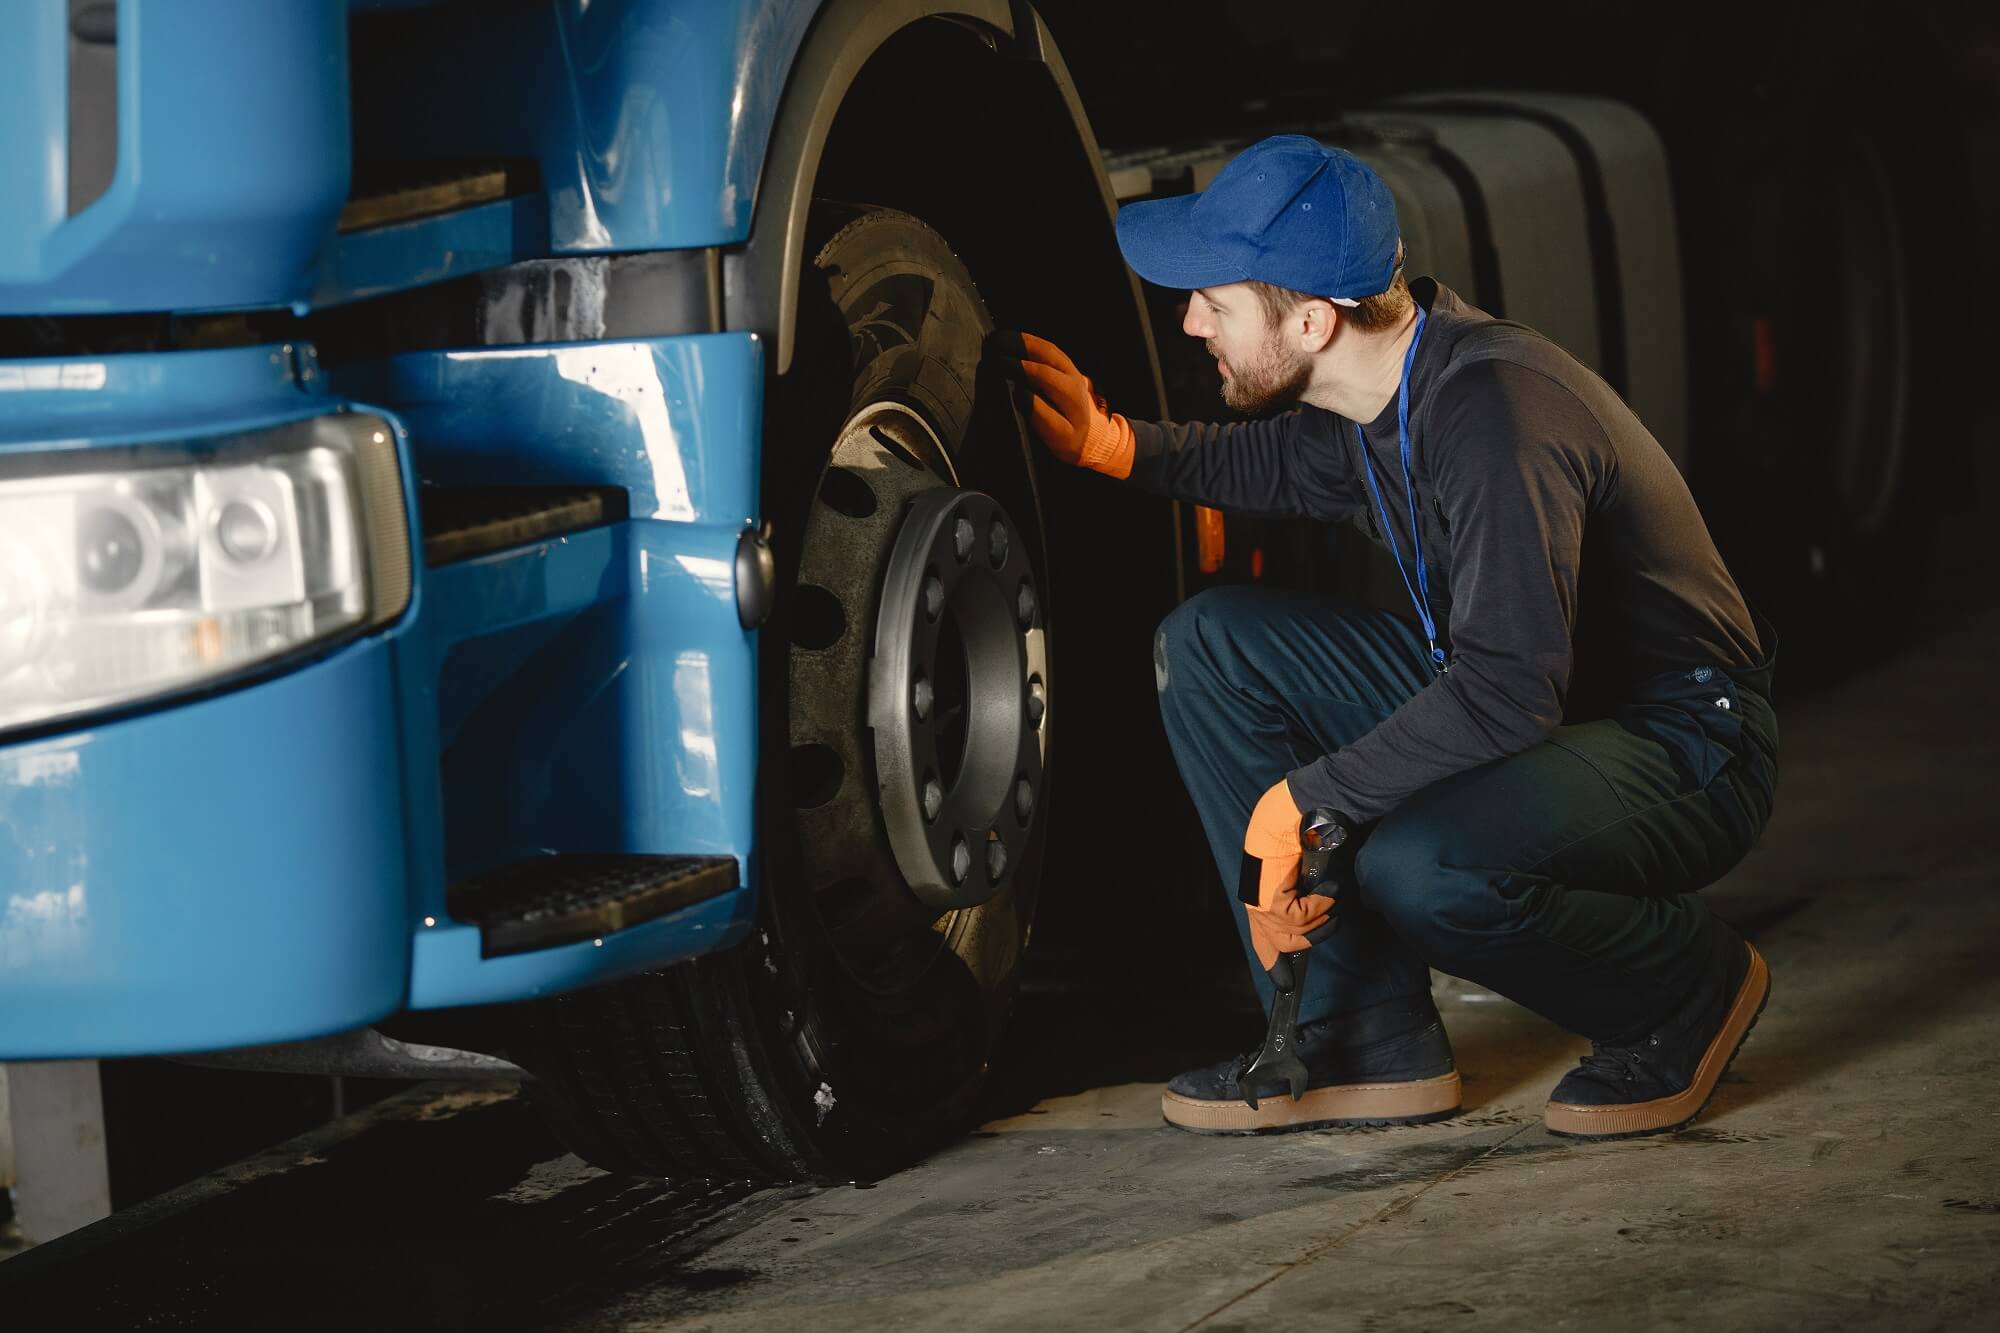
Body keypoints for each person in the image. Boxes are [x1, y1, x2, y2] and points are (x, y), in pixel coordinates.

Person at [1002, 134, 1779, 1137]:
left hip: (1684, 736)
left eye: (1216, 301)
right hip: (1540, 699)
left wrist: (1298, 802)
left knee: (1418, 867)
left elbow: (1506, 692)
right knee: (1210, 647)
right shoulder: (1376, 397)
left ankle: (1678, 987)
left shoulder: (1495, 415)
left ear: (1314, 319)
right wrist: (1112, 446)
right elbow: (1267, 468)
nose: (1190, 320)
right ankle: (1358, 1032)